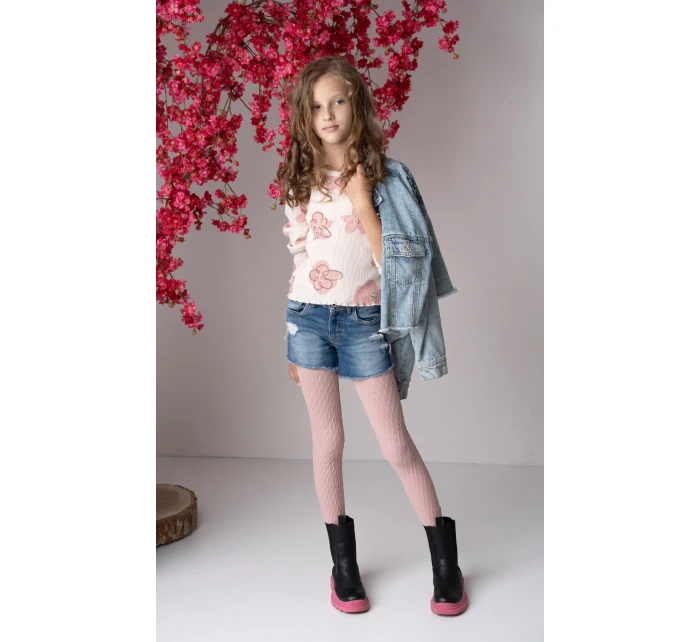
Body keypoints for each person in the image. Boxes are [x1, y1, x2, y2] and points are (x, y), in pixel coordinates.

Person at [277, 55, 468, 616]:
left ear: (355, 104)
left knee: (395, 445)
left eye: (337, 101)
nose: (327, 114)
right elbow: (300, 257)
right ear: (305, 116)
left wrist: (362, 202)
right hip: (308, 319)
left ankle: (446, 564)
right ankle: (343, 568)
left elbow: (399, 269)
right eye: (316, 106)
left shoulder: (384, 176)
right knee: (327, 442)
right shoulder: (299, 179)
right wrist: (289, 333)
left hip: (364, 322)